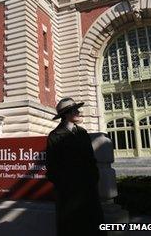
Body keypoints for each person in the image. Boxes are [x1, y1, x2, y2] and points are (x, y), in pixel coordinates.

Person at [46, 97, 106, 236]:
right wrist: (65, 185)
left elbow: (91, 159)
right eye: (75, 110)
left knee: (93, 226)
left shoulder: (83, 133)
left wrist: (93, 178)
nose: (78, 112)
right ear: (66, 114)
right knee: (72, 228)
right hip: (68, 193)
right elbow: (52, 166)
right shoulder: (55, 136)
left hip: (88, 190)